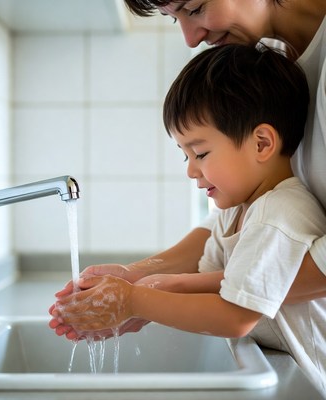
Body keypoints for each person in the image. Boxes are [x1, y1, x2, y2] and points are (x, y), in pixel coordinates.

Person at [50, 43, 326, 394]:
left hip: (309, 387)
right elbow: (205, 276)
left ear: (261, 144)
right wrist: (137, 287)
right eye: (186, 157)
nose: (192, 171)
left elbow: (236, 316)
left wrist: (134, 300)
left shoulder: (278, 214)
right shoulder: (235, 213)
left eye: (200, 153)